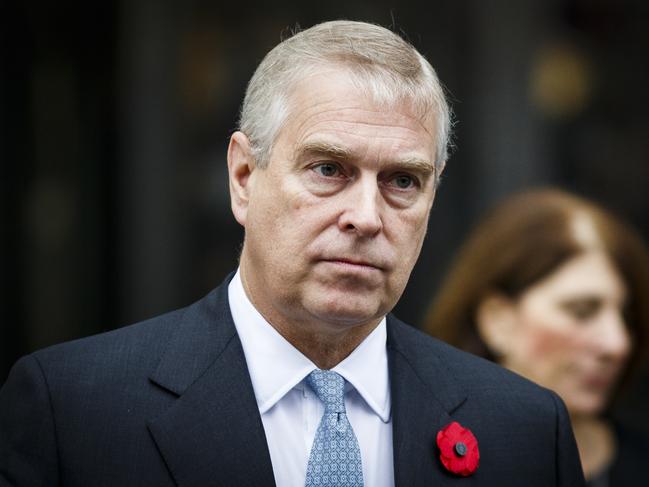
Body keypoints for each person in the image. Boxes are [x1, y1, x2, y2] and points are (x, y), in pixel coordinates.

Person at [0, 21, 585, 487]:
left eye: (403, 181)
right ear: (243, 177)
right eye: (329, 170)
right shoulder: (74, 410)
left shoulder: (525, 430)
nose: (366, 216)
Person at [424, 188, 649, 486]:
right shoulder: (416, 458)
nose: (617, 344)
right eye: (581, 311)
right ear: (498, 321)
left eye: (626, 317)